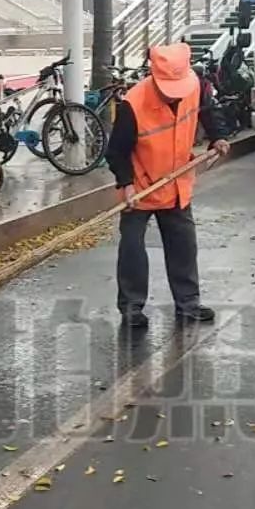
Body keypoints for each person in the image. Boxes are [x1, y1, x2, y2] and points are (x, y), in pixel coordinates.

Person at [106, 42, 230, 332]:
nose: (172, 94)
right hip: (141, 186)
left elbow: (209, 112)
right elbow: (116, 152)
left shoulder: (195, 86)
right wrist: (126, 184)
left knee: (183, 245)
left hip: (176, 184)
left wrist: (218, 136)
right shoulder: (134, 104)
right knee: (133, 249)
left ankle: (188, 303)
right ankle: (132, 308)